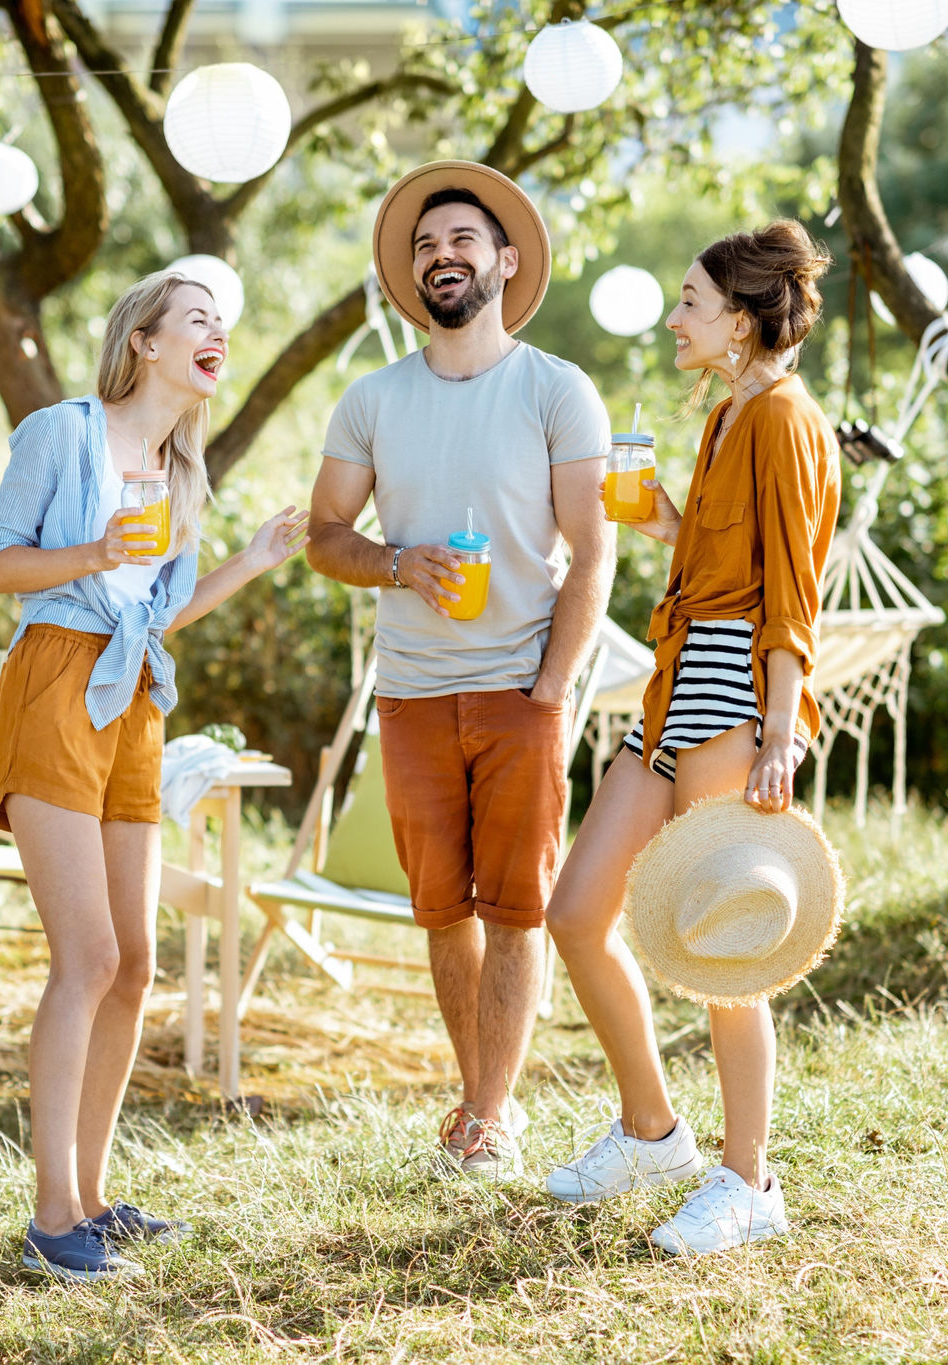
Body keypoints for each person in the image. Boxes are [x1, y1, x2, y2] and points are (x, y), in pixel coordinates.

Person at [0, 272, 308, 1282]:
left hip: (134, 697)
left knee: (135, 964)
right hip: (55, 680)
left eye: (221, 326)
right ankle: (48, 1220)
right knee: (84, 957)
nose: (218, 335)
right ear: (146, 342)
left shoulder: (177, 467)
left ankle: (89, 1195)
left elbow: (152, 612)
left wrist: (250, 561)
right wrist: (90, 547)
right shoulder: (61, 432)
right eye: (199, 321)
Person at [307, 162, 615, 1179]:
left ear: (503, 261)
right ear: (412, 273)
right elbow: (322, 535)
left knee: (515, 910)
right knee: (441, 910)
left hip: (518, 691)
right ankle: (478, 1103)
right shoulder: (372, 398)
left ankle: (490, 1116)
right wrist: (395, 562)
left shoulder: (556, 389)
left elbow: (591, 551)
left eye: (462, 241)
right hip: (410, 693)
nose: (442, 255)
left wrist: (552, 688)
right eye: (426, 245)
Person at [542, 221, 841, 1252]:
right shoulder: (727, 417)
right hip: (674, 690)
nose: (672, 318)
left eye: (688, 303)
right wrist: (670, 523)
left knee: (727, 954)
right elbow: (723, 556)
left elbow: (792, 593)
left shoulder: (784, 420)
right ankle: (650, 1130)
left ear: (743, 318)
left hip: (732, 702)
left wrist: (776, 732)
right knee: (576, 911)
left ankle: (748, 1181)